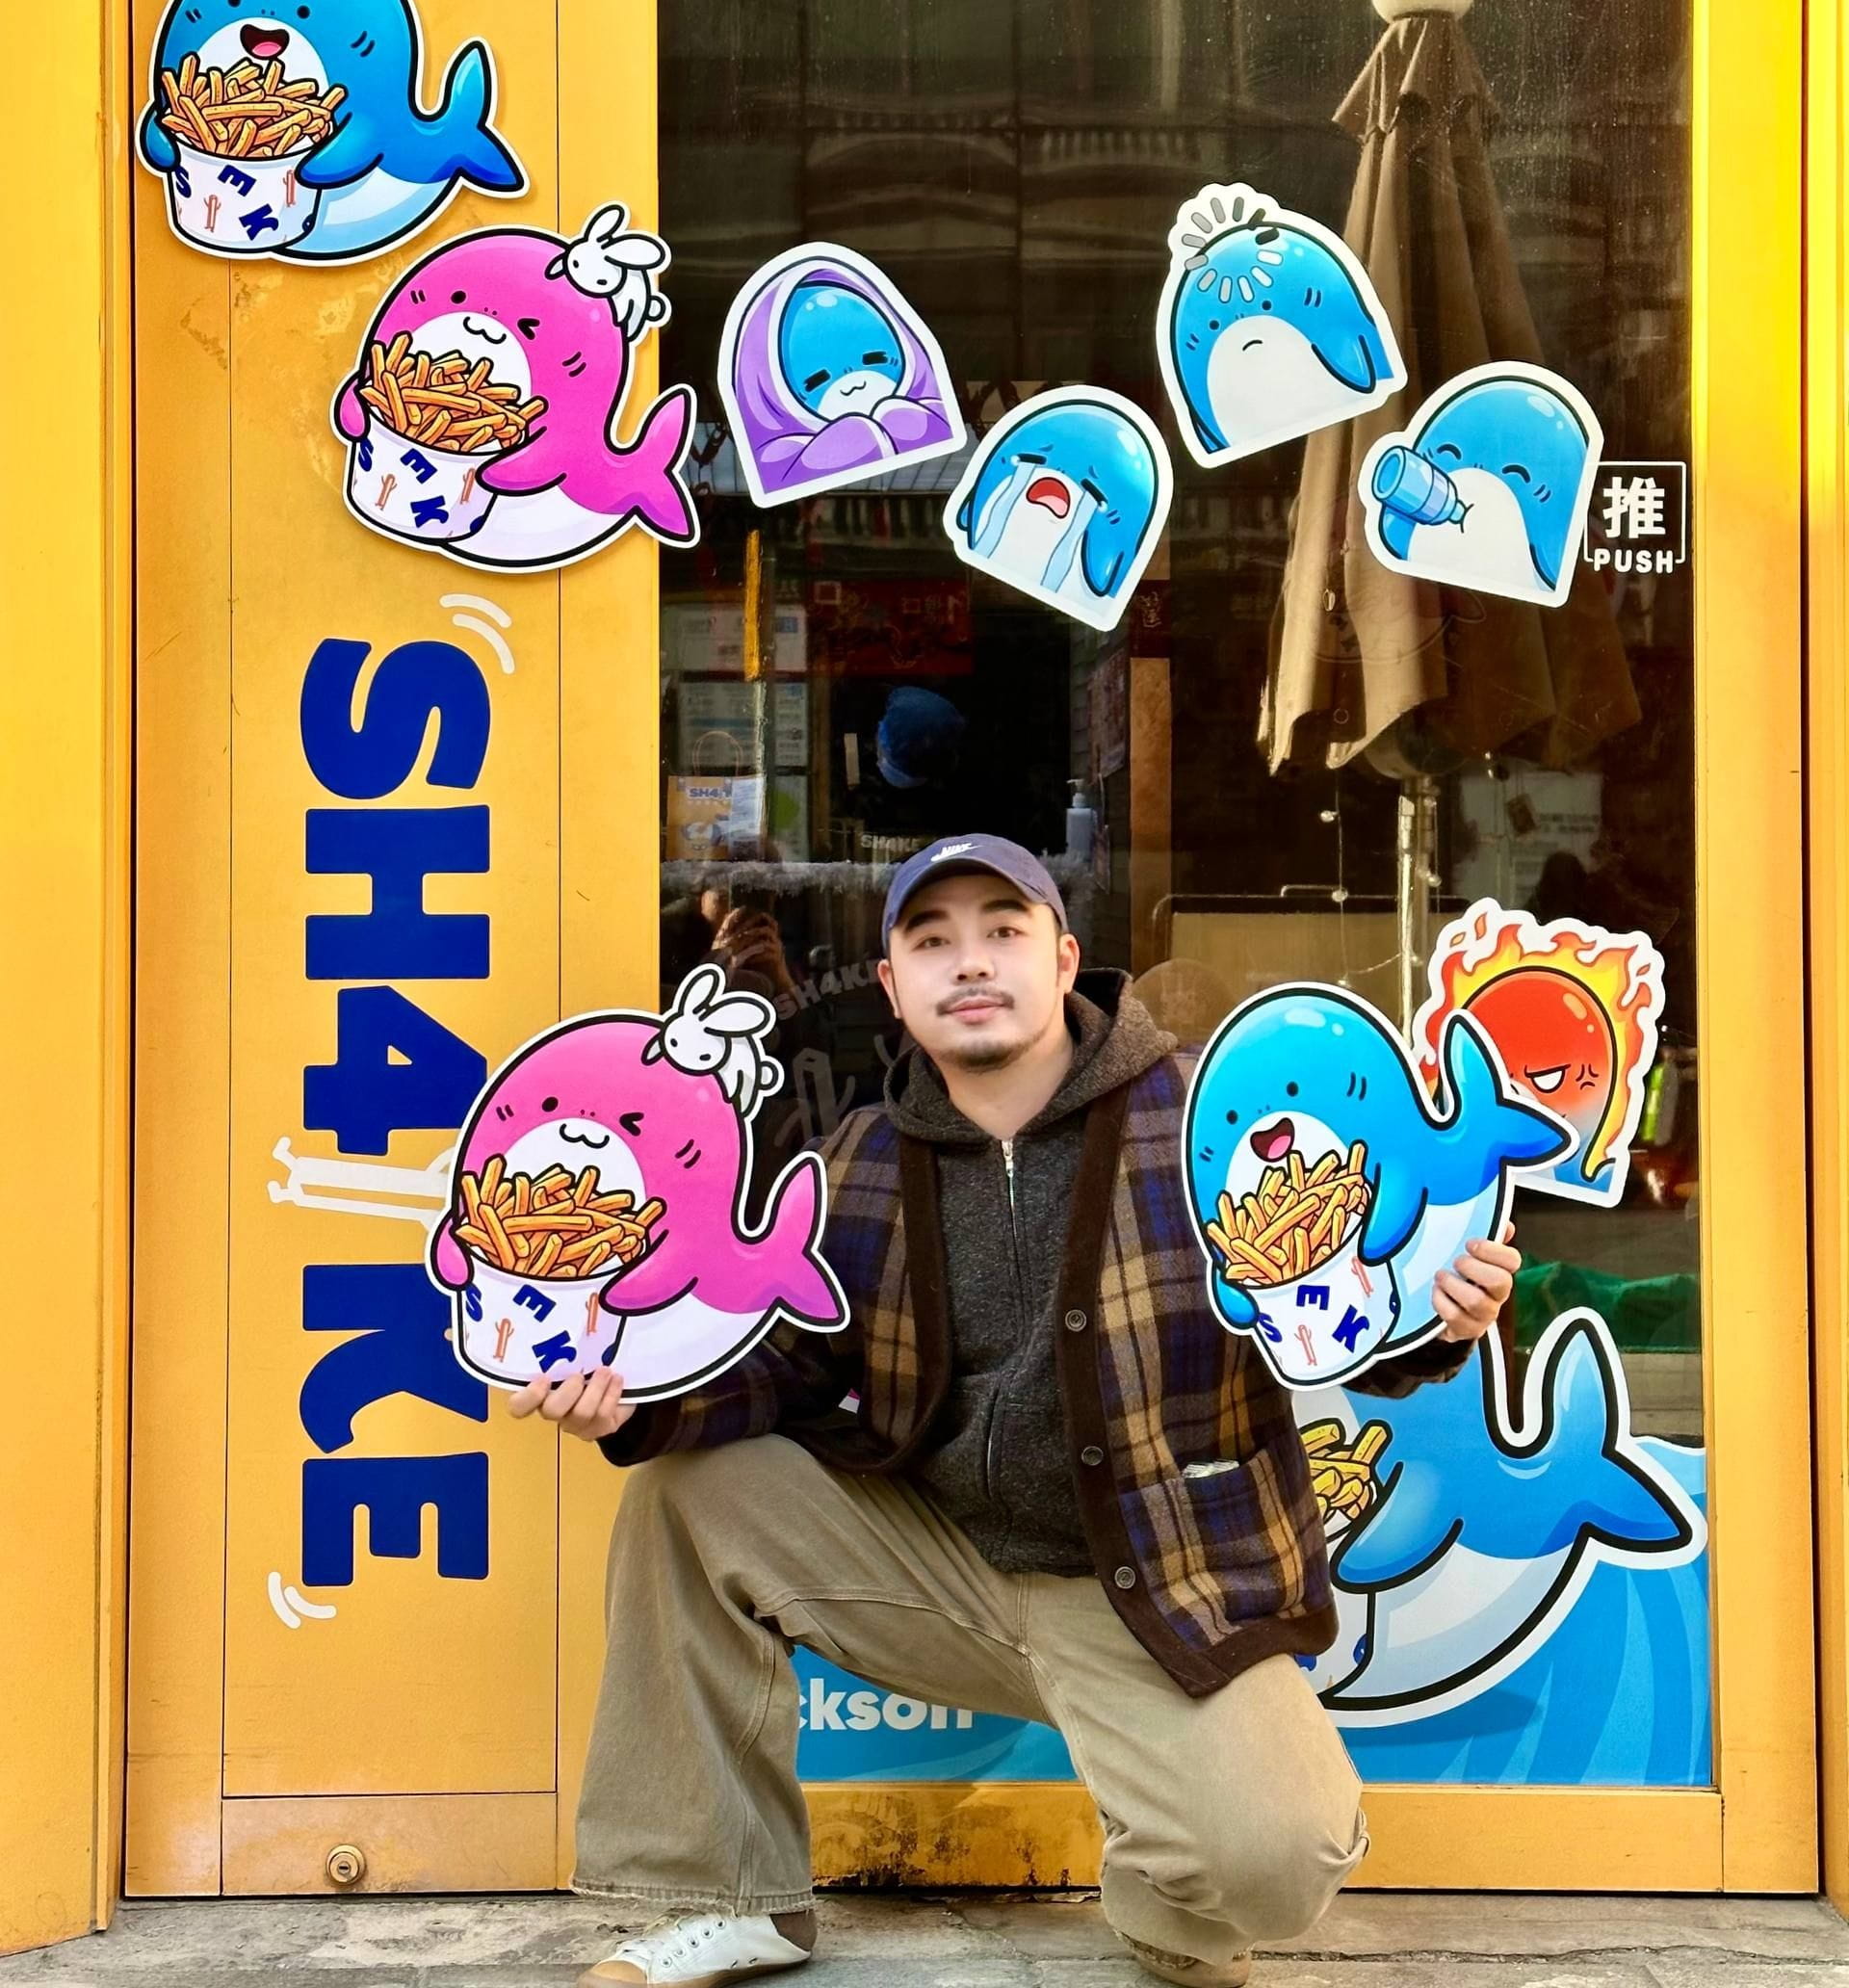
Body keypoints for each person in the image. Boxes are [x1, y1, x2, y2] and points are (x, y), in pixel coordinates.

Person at [514, 836, 1522, 1988]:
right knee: (687, 1490)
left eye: (1003, 929)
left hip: (1155, 1582)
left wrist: (1438, 1316)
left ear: (1065, 959)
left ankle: (1162, 1905)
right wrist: (627, 1400)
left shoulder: (1202, 1123)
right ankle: (732, 1898)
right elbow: (782, 1363)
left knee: (1277, 1861)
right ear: (893, 985)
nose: (971, 961)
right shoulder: (863, 1157)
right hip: (938, 1567)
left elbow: (1333, 1309)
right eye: (931, 940)